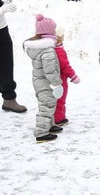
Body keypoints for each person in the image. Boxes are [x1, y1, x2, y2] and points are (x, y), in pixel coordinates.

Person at [23, 15, 64, 143]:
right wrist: (57, 83)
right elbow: (50, 71)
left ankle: (50, 125)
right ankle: (41, 132)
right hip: (46, 84)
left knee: (49, 104)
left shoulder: (39, 48)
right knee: (46, 106)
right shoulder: (48, 51)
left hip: (40, 82)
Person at [54, 24, 80, 126]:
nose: (64, 36)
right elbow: (65, 66)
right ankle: (59, 119)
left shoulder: (52, 49)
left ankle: (56, 117)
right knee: (60, 99)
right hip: (60, 80)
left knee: (56, 99)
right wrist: (73, 76)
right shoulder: (59, 51)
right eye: (62, 35)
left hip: (54, 79)